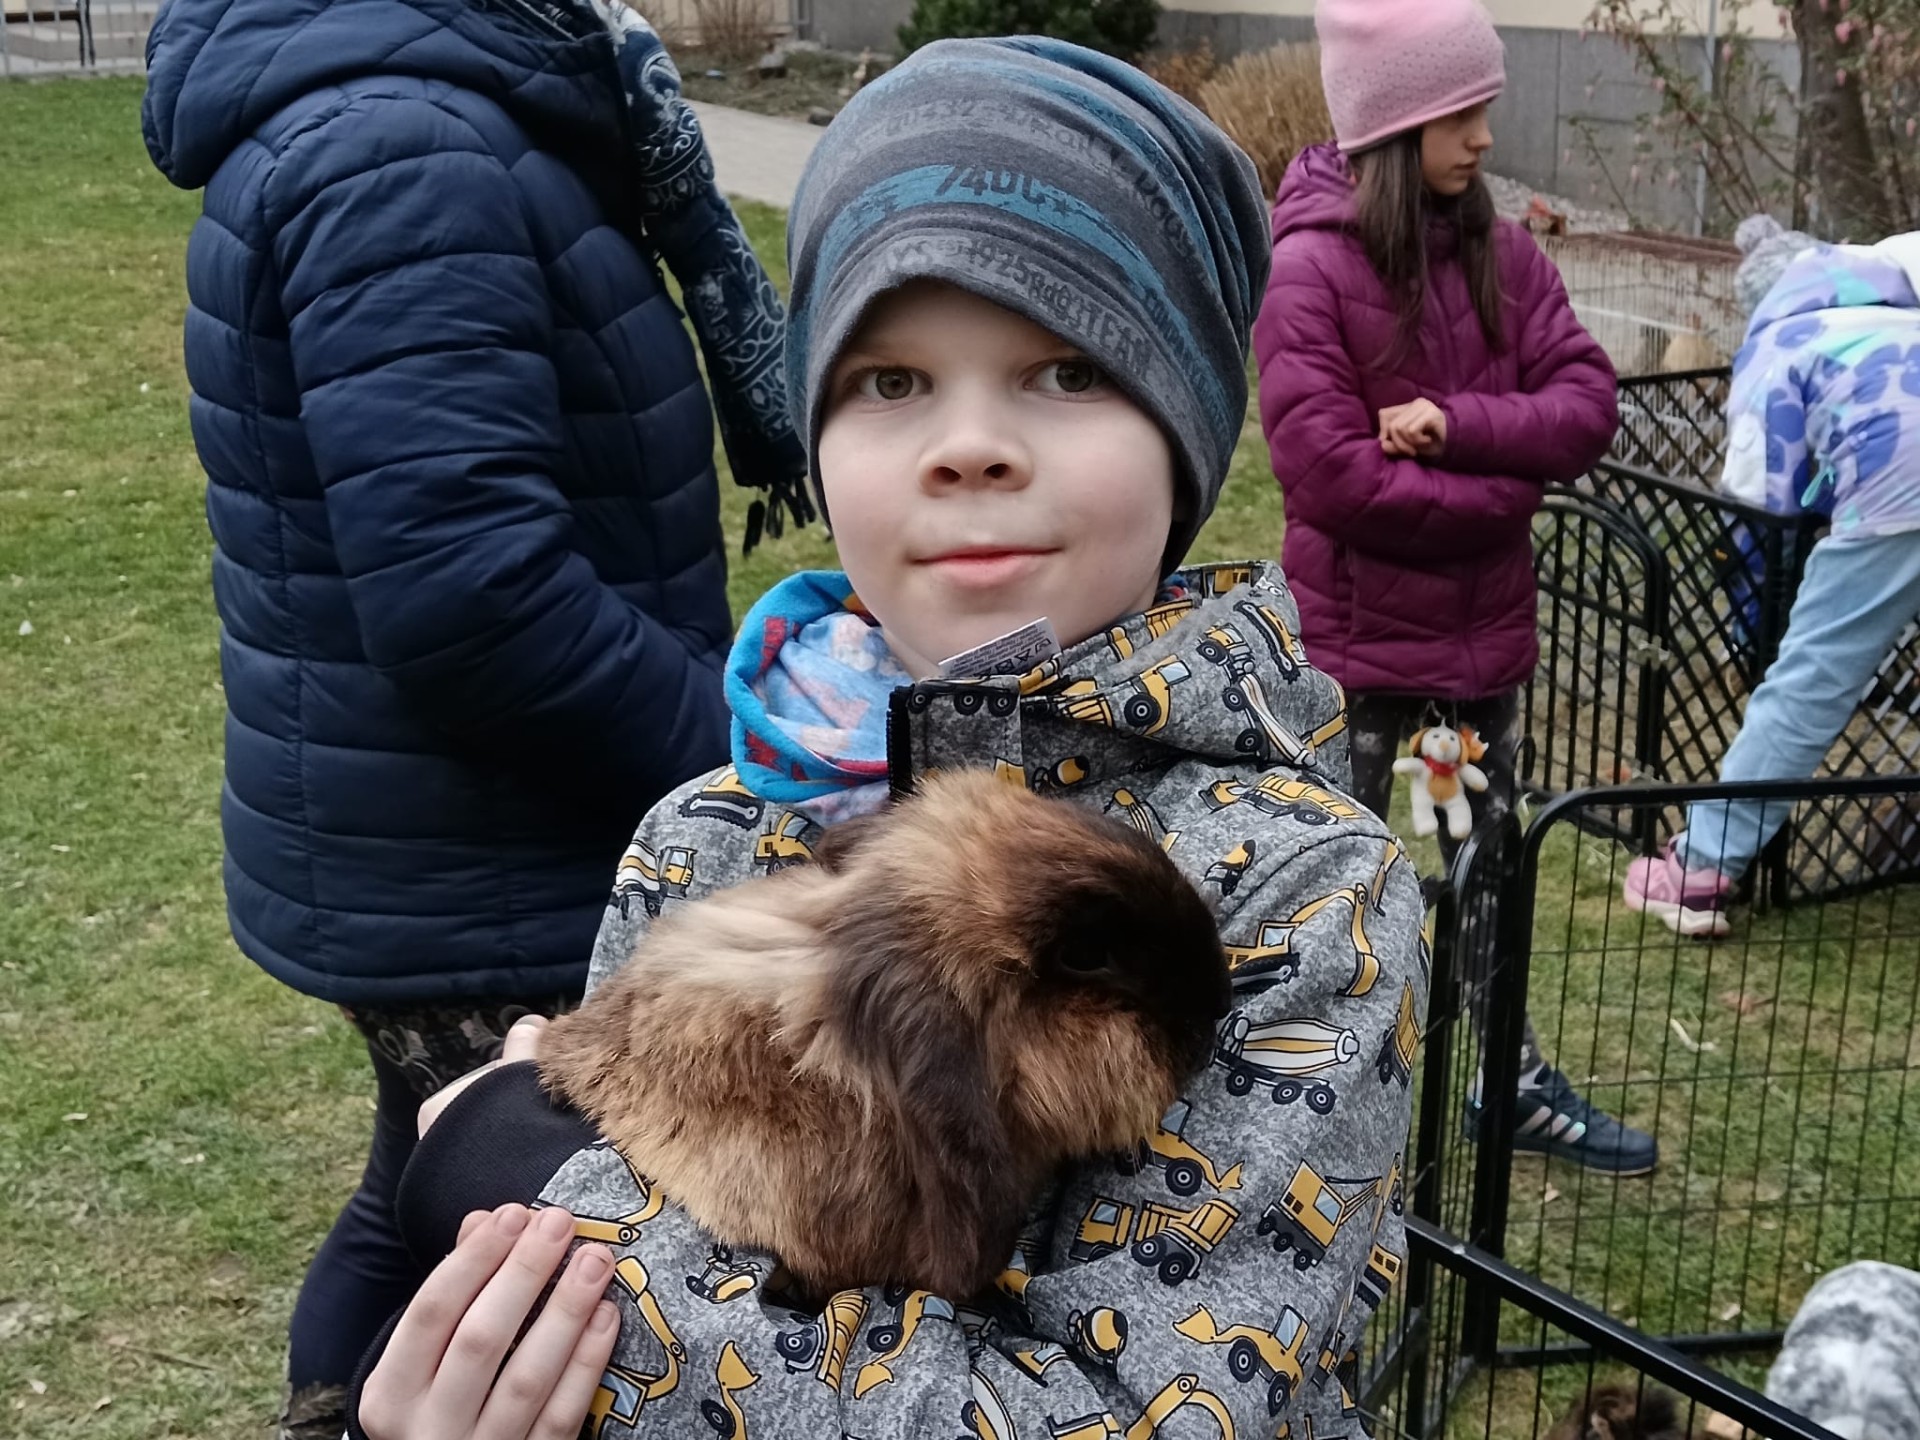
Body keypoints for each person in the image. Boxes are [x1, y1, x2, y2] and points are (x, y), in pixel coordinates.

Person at [344, 37, 1428, 1440]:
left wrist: (527, 1188)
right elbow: (616, 1224)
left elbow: (1140, 1413)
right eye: (890, 382)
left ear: (1187, 426)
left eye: (1067, 369)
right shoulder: (708, 834)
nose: (967, 446)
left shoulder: (1295, 893)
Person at [140, 0, 808, 1429]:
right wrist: (751, 766)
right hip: (487, 852)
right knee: (546, 1262)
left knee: (420, 1190)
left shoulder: (460, 99)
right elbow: (474, 598)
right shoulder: (400, 149)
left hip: (452, 836)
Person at [1251, 0, 1653, 1175]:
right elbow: (1332, 477)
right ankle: (1296, 1112)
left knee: (1478, 876)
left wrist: (1460, 427)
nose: (1483, 136)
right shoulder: (1309, 272)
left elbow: (1585, 407)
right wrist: (1509, 492)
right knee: (1331, 888)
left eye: (1483, 109)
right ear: (1394, 124)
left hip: (1462, 683)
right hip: (1361, 671)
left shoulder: (1505, 258)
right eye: (1460, 114)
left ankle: (1506, 1084)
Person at [1625, 227, 1920, 936]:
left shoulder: (1783, 342)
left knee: (1811, 680)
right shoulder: (1897, 309)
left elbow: (1759, 502)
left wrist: (1757, 619)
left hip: (1898, 497)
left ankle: (1700, 869)